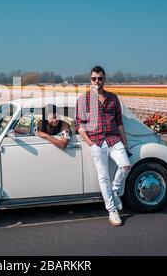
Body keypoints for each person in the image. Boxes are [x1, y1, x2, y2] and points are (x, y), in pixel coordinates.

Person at [75, 66, 131, 226]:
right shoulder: (83, 100)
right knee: (103, 177)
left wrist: (125, 144)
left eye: (100, 78)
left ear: (104, 79)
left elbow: (119, 123)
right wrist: (91, 143)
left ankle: (115, 190)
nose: (97, 81)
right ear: (90, 80)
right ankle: (112, 210)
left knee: (126, 166)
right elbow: (80, 125)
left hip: (114, 139)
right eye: (94, 78)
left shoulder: (113, 98)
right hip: (97, 141)